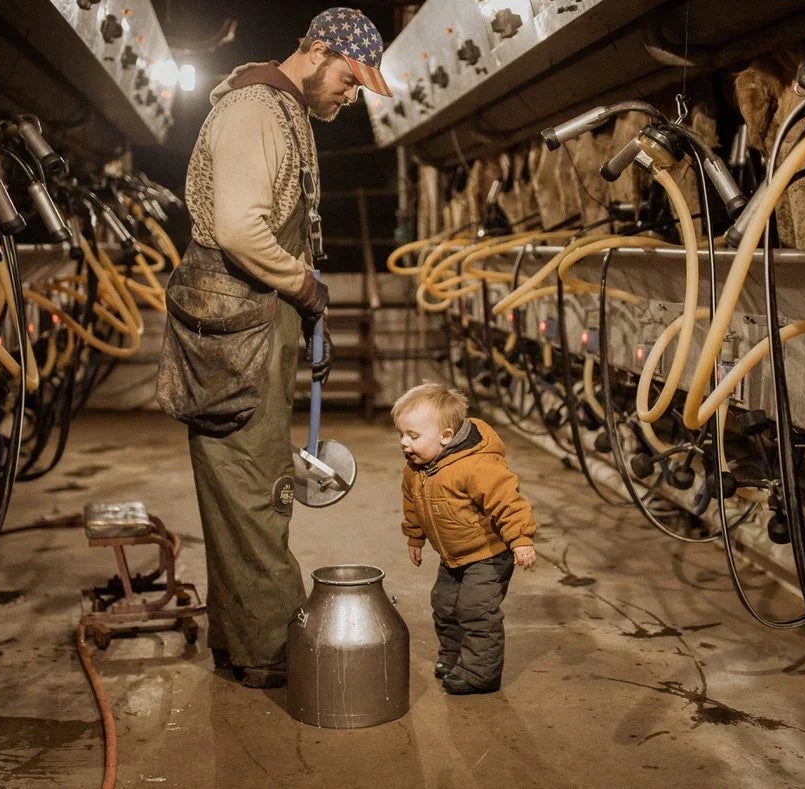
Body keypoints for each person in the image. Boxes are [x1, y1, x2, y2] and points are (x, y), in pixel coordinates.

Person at [156, 8, 392, 689]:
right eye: (348, 80)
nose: (350, 98)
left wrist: (304, 315)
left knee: (244, 490)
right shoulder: (256, 110)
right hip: (237, 335)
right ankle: (270, 648)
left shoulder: (282, 110)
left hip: (256, 327)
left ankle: (240, 641)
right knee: (258, 492)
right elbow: (237, 227)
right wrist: (305, 287)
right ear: (317, 51)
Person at [392, 382, 538, 695]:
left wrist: (521, 539)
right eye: (401, 434)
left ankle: (479, 674)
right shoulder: (416, 469)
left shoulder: (477, 465)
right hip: (454, 554)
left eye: (413, 436)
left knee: (476, 609)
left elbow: (507, 501)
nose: (404, 443)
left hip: (489, 552)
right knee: (444, 605)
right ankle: (454, 657)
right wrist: (414, 539)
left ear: (445, 436)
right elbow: (413, 505)